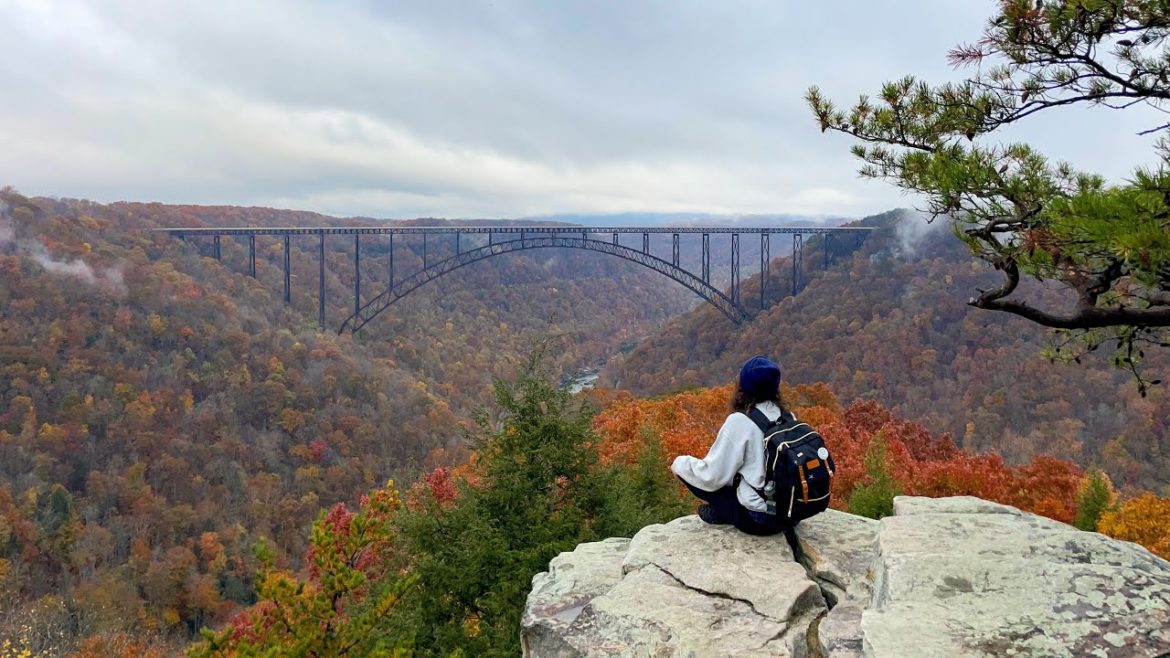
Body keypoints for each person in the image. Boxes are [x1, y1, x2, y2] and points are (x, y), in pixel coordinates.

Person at [671, 355, 790, 536]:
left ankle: (723, 513)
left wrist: (679, 465)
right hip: (791, 514)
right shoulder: (787, 416)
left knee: (698, 477)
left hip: (759, 521)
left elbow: (712, 476)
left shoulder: (740, 421)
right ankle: (722, 512)